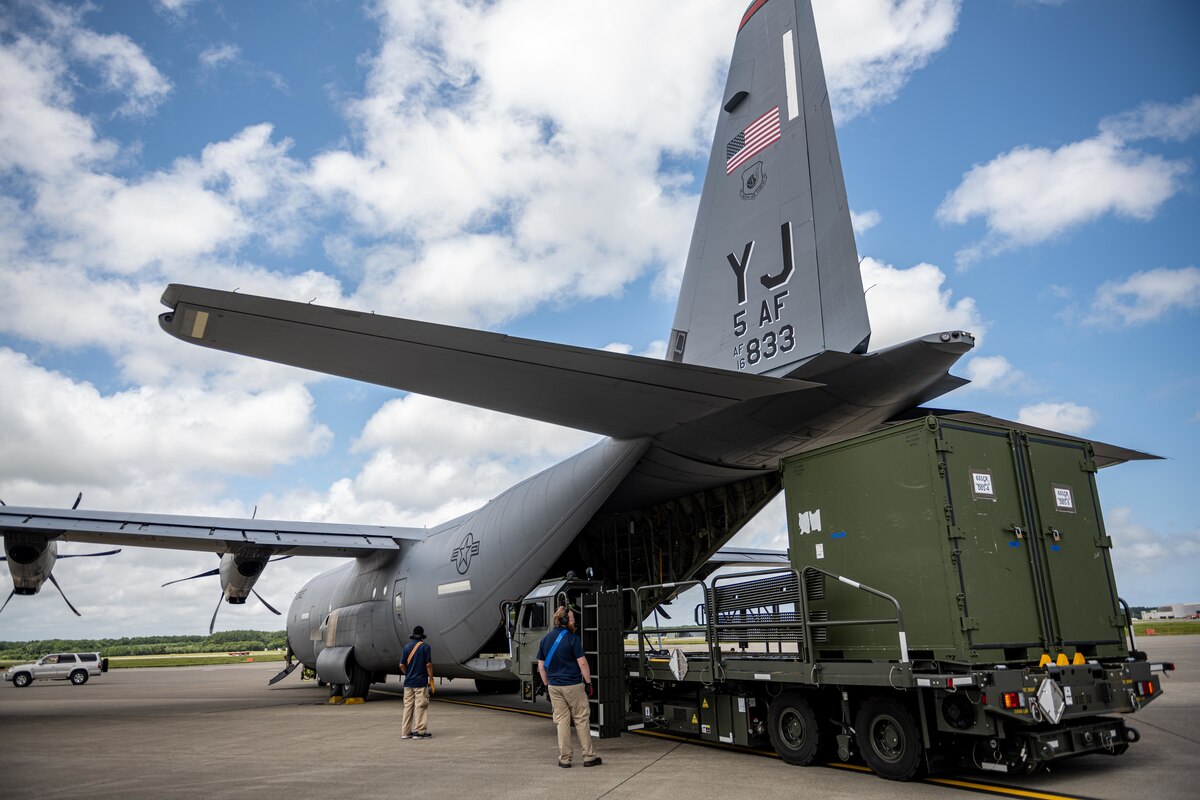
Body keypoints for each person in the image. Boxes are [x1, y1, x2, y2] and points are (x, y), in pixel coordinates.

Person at [536, 605, 601, 768]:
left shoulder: (545, 639)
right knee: (581, 719)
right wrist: (589, 683)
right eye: (571, 619)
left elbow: (541, 667)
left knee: (562, 722)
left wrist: (546, 686)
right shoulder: (573, 638)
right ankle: (588, 757)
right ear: (564, 620)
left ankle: (565, 759)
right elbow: (583, 663)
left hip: (554, 686)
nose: (574, 621)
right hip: (573, 685)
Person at [399, 625, 433, 739]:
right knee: (421, 706)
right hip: (420, 682)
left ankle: (405, 732)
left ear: (413, 636)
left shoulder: (406, 647)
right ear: (422, 636)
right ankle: (419, 732)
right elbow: (428, 664)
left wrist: (407, 674)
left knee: (407, 707)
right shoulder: (426, 647)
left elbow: (401, 665)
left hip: (408, 683)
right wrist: (431, 678)